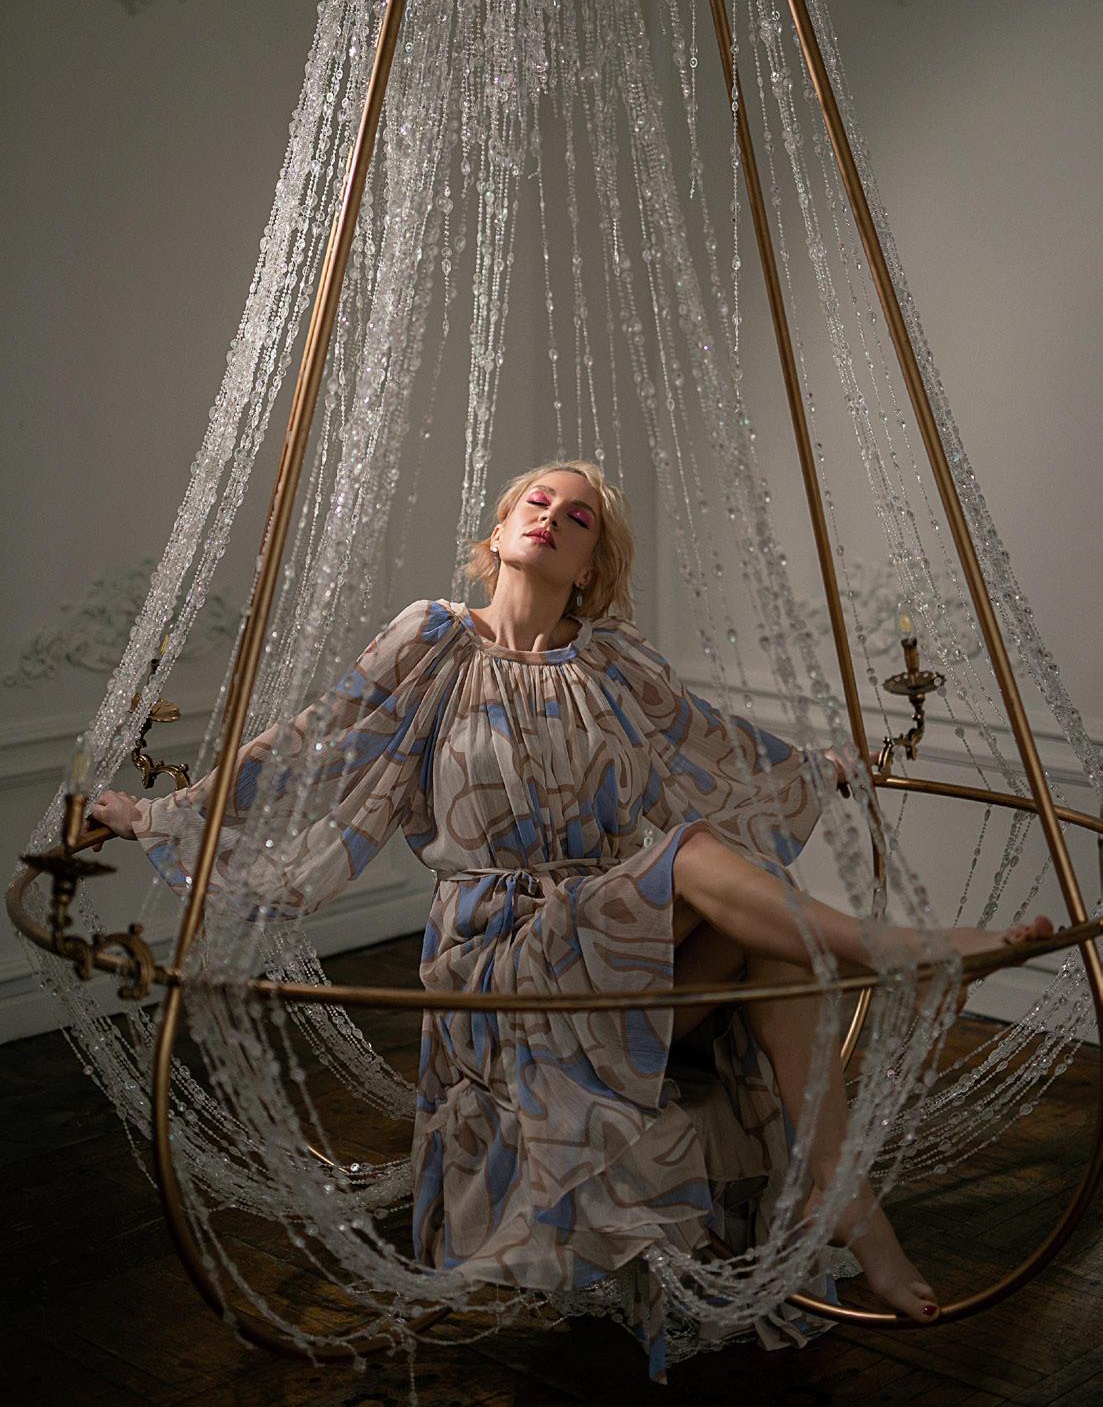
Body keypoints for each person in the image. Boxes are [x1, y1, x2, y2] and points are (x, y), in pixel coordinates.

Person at [90, 459, 1053, 1380]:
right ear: (499, 532)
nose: (551, 517)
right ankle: (900, 954)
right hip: (499, 959)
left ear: (591, 566)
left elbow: (713, 746)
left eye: (576, 516)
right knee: (696, 856)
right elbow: (312, 742)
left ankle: (840, 1192)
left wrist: (817, 770)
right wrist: (168, 813)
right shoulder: (431, 639)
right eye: (537, 503)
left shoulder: (614, 664)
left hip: (614, 945)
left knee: (773, 936)